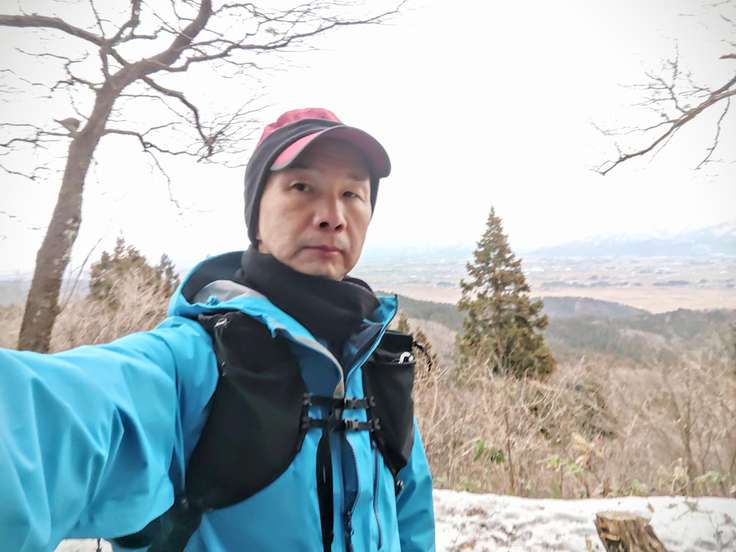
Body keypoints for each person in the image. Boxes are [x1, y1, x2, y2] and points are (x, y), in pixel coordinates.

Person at [0, 108, 436, 551]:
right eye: (302, 187)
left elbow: (412, 518)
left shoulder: (374, 365)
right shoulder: (194, 362)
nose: (332, 216)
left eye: (352, 193)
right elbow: (51, 419)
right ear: (255, 214)